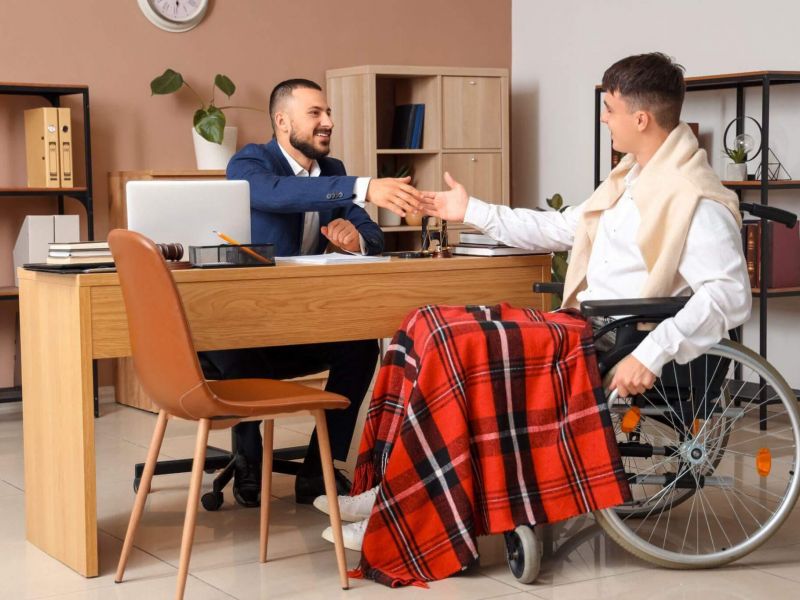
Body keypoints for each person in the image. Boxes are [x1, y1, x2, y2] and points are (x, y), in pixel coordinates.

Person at [314, 52, 751, 567]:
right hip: (587, 327)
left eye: (608, 109)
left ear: (640, 118)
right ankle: (393, 484)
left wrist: (653, 354)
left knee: (459, 344)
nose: (603, 118)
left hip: (620, 339)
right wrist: (470, 211)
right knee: (426, 323)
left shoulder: (693, 199)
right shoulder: (632, 180)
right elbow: (563, 228)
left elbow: (728, 295)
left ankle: (407, 507)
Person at [199, 78, 423, 507]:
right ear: (282, 121)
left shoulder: (332, 172)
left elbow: (370, 231)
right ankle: (247, 459)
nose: (328, 122)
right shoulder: (251, 163)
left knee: (361, 346)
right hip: (242, 326)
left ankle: (319, 468)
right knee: (240, 341)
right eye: (315, 114)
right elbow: (276, 195)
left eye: (329, 113)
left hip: (297, 321)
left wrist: (355, 240)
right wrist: (364, 186)